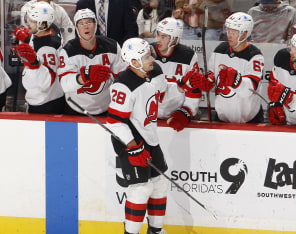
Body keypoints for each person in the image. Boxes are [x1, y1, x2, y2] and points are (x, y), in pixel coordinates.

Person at [107, 37, 168, 234]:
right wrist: (133, 147)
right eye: (147, 56)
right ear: (134, 62)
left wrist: (184, 85)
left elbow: (162, 97)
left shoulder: (152, 73)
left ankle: (155, 231)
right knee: (140, 189)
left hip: (150, 139)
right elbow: (115, 122)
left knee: (160, 184)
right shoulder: (123, 84)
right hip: (131, 144)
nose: (153, 58)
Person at [189, 12, 265, 123]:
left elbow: (251, 88)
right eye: (228, 30)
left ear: (244, 34)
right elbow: (211, 75)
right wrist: (207, 81)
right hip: (221, 118)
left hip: (249, 120)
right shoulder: (220, 49)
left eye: (233, 32)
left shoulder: (254, 56)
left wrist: (237, 81)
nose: (229, 35)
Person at [58, 8, 127, 115]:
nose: (86, 26)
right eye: (81, 23)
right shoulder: (68, 50)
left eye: (89, 22)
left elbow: (122, 78)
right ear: (76, 28)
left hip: (106, 107)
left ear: (95, 25)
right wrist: (83, 77)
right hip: (76, 108)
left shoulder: (112, 46)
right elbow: (65, 85)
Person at [13, 2, 65, 114]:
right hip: (51, 99)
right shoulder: (52, 28)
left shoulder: (47, 48)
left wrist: (34, 64)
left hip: (46, 104)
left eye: (32, 21)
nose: (27, 23)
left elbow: (46, 82)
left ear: (43, 25)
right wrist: (28, 38)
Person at [151, 17, 202, 131]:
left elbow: (194, 87)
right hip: (148, 115)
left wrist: (187, 111)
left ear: (174, 39)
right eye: (158, 34)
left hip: (174, 115)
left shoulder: (188, 55)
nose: (158, 39)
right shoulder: (148, 52)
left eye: (163, 37)